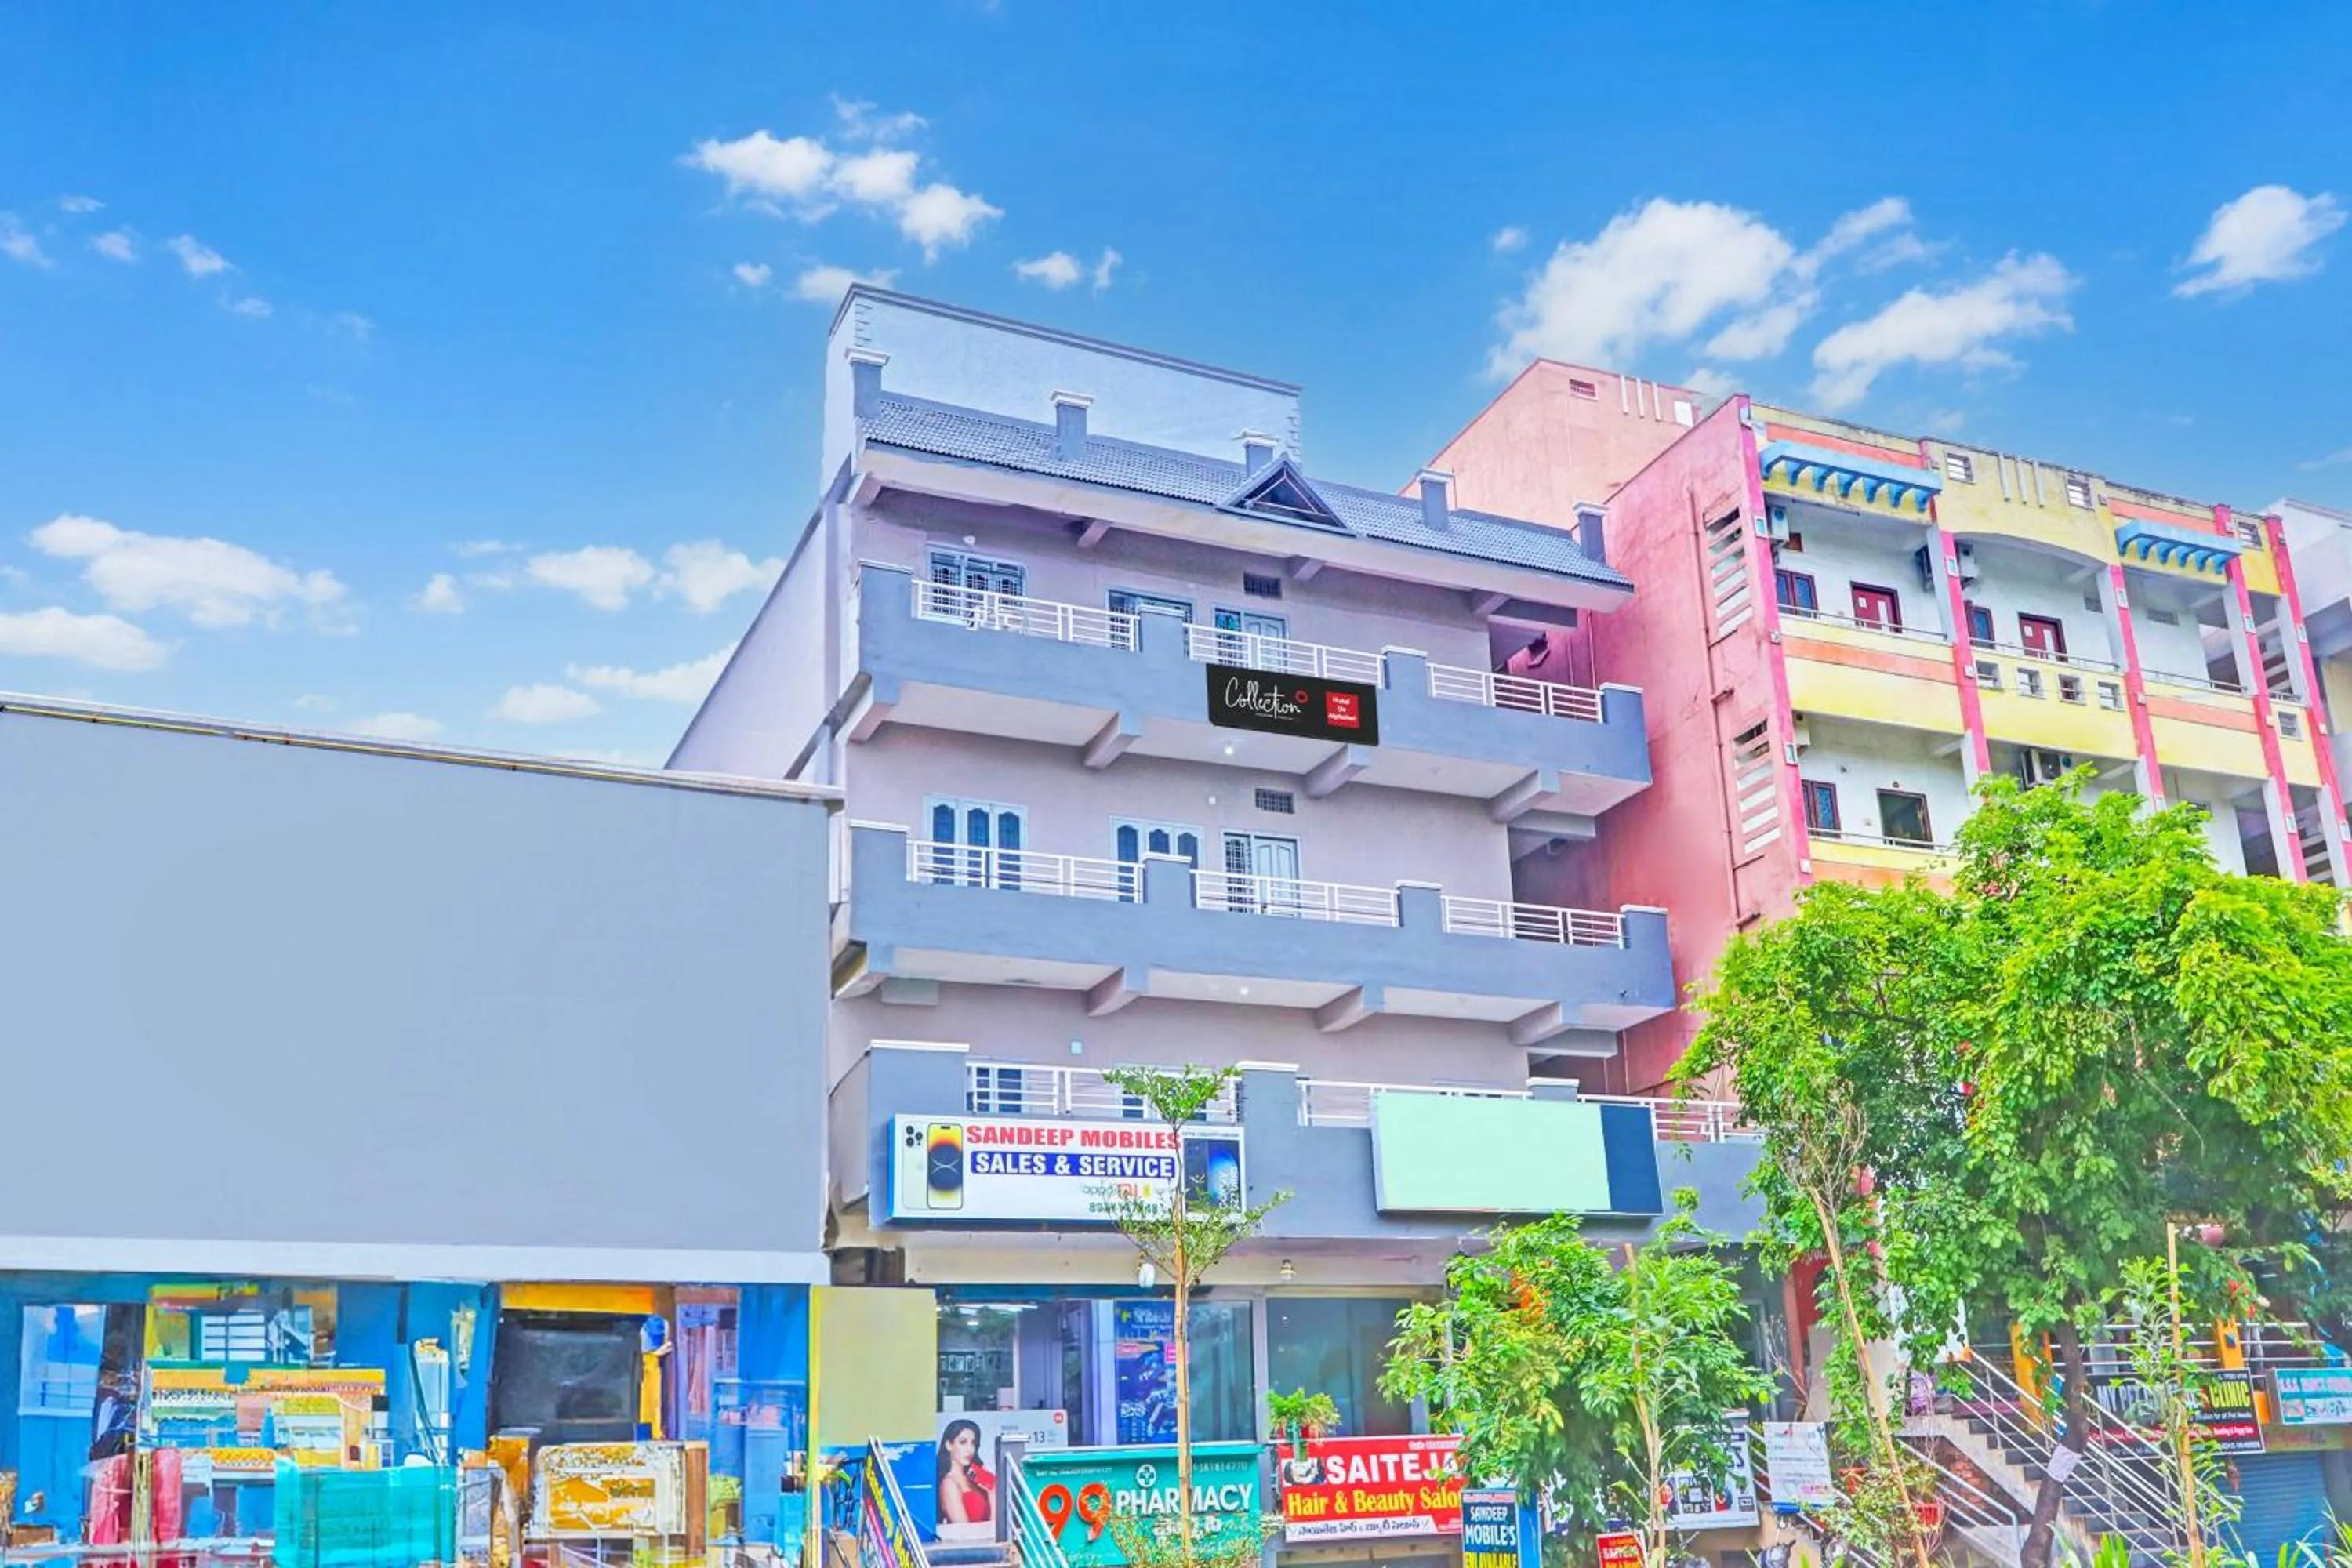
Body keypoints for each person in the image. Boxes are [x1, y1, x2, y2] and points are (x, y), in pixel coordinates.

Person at [938, 1420, 995, 1526]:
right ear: (949, 1445)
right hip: (970, 1541)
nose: (970, 1450)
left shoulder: (974, 1475)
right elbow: (963, 1531)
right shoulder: (948, 1484)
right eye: (963, 1442)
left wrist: (992, 1491)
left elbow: (998, 1525)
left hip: (990, 1539)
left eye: (973, 1443)